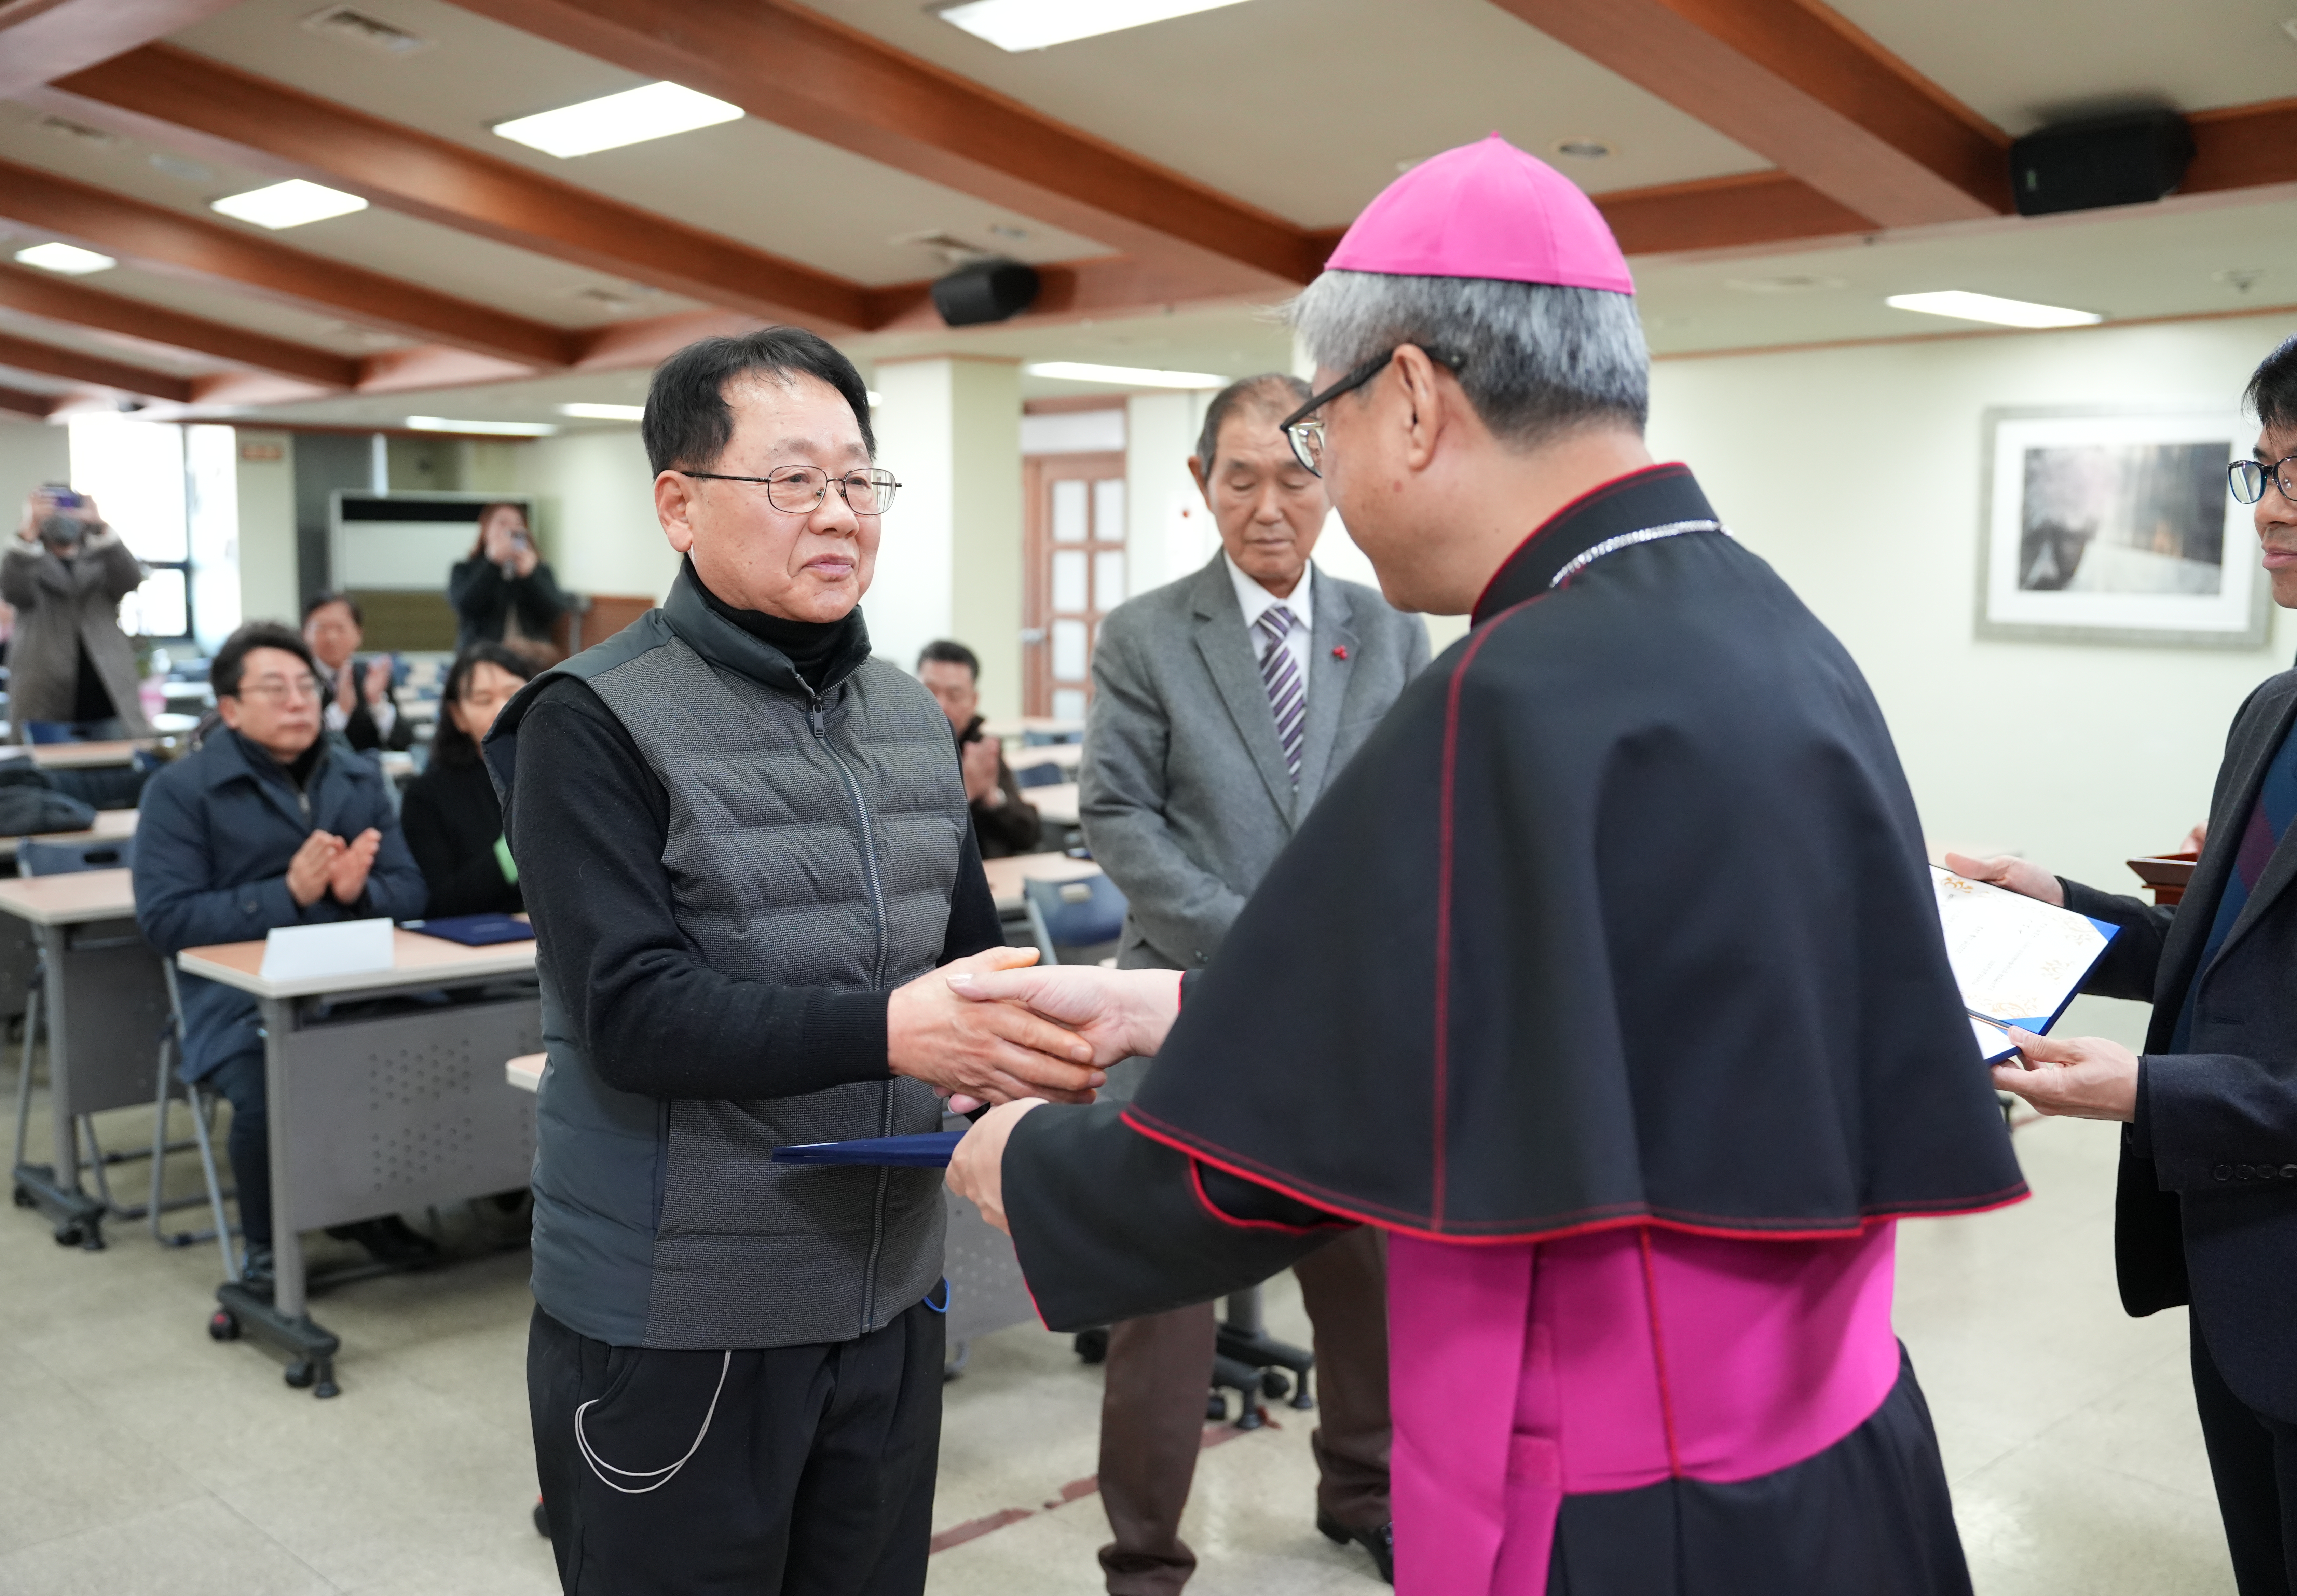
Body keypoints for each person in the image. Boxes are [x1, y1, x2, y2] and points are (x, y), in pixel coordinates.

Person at [943, 135, 2026, 1595]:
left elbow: (1254, 1171)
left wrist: (1014, 1162)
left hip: (1633, 1494)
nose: (1313, 486)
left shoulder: (1514, 692)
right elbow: (1531, 1001)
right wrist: (1183, 1008)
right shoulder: (1761, 622)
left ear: (1408, 399)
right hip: (1834, 1446)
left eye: (1319, 437)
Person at [484, 327, 1110, 1596]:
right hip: (682, 1311)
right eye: (793, 480)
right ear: (679, 503)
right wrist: (898, 1033)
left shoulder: (901, 713)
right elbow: (632, 1013)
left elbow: (964, 958)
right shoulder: (587, 721)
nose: (838, 513)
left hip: (886, 1293)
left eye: (858, 479)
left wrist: (1035, 1049)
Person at [1946, 333, 2297, 1596]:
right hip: (2243, 1274)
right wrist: (2054, 900)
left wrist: (2148, 1094)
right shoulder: (2274, 711)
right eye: (2261, 470)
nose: (2270, 510)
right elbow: (2213, 961)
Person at [1077, 372, 1430, 1591]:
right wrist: (1260, 946)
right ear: (1200, 484)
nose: (1269, 504)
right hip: (1183, 1015)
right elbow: (1117, 814)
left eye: (1294, 473)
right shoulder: (1145, 634)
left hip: (1340, 1024)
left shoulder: (1389, 627)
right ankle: (1144, 1554)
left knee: (1365, 1277)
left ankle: (1363, 1488)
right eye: (1241, 476)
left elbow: (1407, 817)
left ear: (1331, 474)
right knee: (1162, 1311)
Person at [133, 622, 429, 1283]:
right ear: (231, 708)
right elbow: (165, 920)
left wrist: (358, 892)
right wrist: (287, 894)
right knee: (276, 1079)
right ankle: (267, 1246)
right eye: (275, 689)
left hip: (355, 978)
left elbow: (412, 889)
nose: (299, 702)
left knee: (426, 1038)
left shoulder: (356, 775)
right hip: (235, 999)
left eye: (307, 687)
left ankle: (373, 1208)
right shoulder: (182, 792)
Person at [0, 486, 149, 739]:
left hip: (105, 689)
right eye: (53, 508)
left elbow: (130, 579)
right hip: (43, 688)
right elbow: (12, 590)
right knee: (46, 771)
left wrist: (100, 527)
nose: (63, 516)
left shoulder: (102, 557)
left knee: (119, 770)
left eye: (69, 507)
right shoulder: (27, 560)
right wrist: (27, 532)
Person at [400, 642, 533, 919]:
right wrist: (512, 853)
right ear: (459, 716)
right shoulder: (427, 795)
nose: (503, 708)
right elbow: (439, 903)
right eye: (484, 700)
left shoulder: (564, 772)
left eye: (514, 694)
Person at [917, 639, 1043, 859]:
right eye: (929, 692)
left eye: (955, 696)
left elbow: (1029, 835)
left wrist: (991, 797)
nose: (940, 706)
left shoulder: (979, 747)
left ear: (974, 701)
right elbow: (908, 846)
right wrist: (966, 792)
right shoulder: (892, 750)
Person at [449, 501, 568, 659]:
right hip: (481, 657)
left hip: (530, 658)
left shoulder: (540, 570)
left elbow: (554, 611)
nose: (511, 529)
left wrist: (531, 576)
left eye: (518, 523)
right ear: (486, 530)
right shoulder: (465, 569)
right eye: (502, 523)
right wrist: (492, 565)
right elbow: (465, 605)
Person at [301, 591, 413, 755]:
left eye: (341, 628)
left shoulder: (371, 676)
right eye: (321, 628)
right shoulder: (298, 682)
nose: (331, 637)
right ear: (305, 634)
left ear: (358, 635)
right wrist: (340, 712)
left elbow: (404, 742)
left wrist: (377, 703)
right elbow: (301, 747)